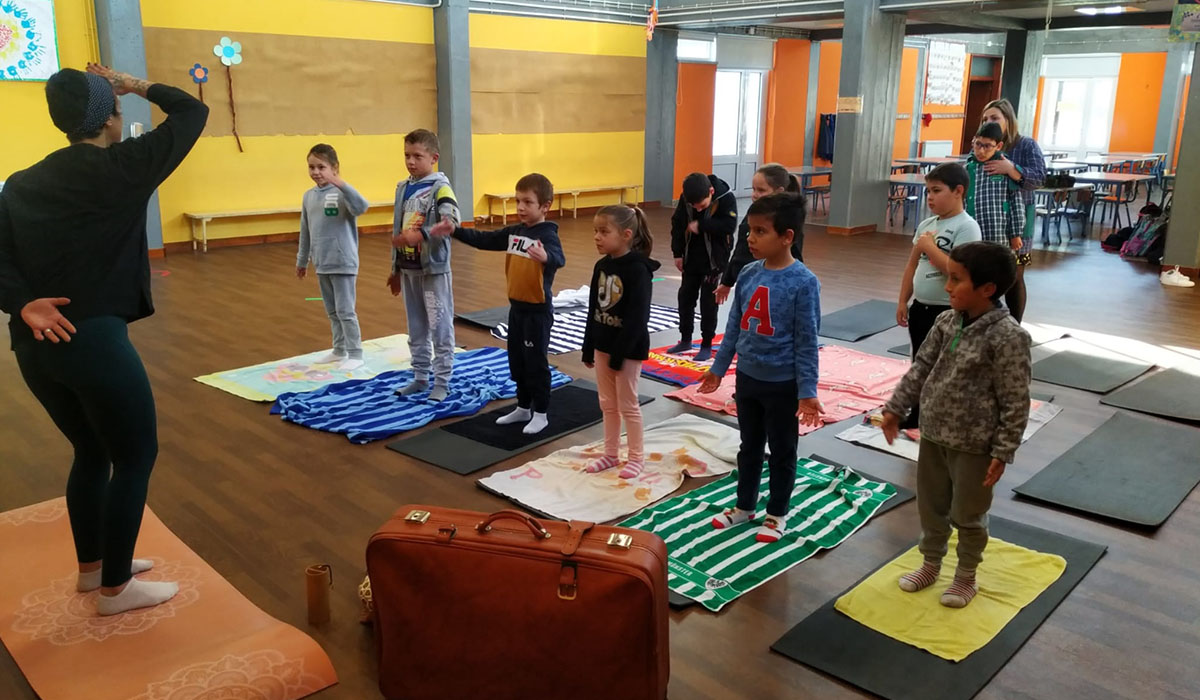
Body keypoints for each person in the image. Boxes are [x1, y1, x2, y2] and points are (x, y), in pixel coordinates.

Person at [0, 64, 207, 615]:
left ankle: (93, 570)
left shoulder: (20, 183)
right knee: (136, 455)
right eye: (117, 108)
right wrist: (134, 83)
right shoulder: (124, 167)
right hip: (92, 341)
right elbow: (192, 110)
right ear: (110, 119)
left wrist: (22, 303)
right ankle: (116, 589)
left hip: (34, 344)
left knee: (90, 451)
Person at [880, 242, 1032, 608]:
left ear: (987, 289)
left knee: (968, 514)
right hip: (934, 435)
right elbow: (920, 368)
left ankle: (965, 576)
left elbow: (1016, 399)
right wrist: (896, 408)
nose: (947, 287)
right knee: (931, 507)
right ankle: (931, 563)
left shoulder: (1009, 337)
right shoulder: (946, 322)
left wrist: (1003, 450)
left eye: (956, 279)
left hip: (975, 446)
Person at [697, 193, 823, 543]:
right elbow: (734, 328)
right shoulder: (749, 273)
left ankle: (777, 512)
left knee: (782, 451)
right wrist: (718, 369)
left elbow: (807, 341)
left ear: (787, 237)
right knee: (749, 446)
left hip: (783, 385)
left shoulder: (804, 282)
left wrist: (807, 391)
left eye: (760, 231)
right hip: (748, 379)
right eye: (749, 231)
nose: (750, 239)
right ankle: (744, 506)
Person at [430, 174, 564, 434]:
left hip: (537, 312)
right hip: (516, 310)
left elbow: (559, 258)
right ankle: (523, 407)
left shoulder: (547, 235)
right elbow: (485, 239)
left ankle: (541, 413)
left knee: (535, 363)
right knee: (518, 361)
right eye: (518, 201)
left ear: (545, 206)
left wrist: (546, 256)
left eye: (528, 202)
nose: (521, 207)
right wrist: (455, 230)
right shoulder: (516, 232)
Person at [895, 163, 981, 429]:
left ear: (958, 191)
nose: (930, 197)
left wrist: (930, 248)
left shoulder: (967, 227)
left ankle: (944, 413)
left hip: (948, 311)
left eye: (936, 190)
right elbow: (912, 265)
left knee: (945, 365)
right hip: (921, 307)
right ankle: (918, 412)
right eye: (928, 191)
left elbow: (960, 272)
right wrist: (903, 300)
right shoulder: (926, 225)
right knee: (920, 362)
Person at [580, 205, 659, 479]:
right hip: (603, 346)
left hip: (627, 350)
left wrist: (619, 354)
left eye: (604, 232)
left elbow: (638, 317)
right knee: (607, 403)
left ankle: (636, 457)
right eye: (595, 231)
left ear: (626, 235)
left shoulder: (638, 270)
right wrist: (588, 345)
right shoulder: (601, 266)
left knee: (628, 404)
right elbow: (593, 309)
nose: (597, 237)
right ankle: (610, 454)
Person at [387, 129, 460, 402]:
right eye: (407, 155)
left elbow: (451, 222)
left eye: (417, 156)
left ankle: (442, 381)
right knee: (416, 327)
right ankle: (420, 377)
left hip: (433, 271)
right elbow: (398, 229)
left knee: (439, 326)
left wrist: (422, 235)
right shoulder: (402, 188)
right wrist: (395, 269)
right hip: (409, 270)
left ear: (434, 158)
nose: (410, 161)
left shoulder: (441, 188)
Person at [296, 143, 369, 371]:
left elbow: (362, 207)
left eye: (322, 167)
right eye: (312, 167)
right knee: (332, 311)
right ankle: (339, 349)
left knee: (346, 311)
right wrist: (302, 260)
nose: (316, 172)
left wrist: (342, 184)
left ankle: (355, 353)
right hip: (322, 262)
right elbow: (305, 231)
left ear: (334, 168)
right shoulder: (308, 197)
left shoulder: (342, 193)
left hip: (343, 262)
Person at [980, 98, 1045, 323]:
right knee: (987, 275)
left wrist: (1011, 169)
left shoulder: (1026, 145)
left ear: (1008, 120)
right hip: (990, 221)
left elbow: (1039, 178)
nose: (989, 122)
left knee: (1015, 275)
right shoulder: (982, 146)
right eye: (985, 119)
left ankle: (1015, 325)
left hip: (1020, 219)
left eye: (995, 118)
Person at [668, 172, 737, 362]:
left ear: (711, 191)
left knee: (708, 303)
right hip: (691, 258)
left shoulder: (726, 197)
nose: (697, 208)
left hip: (714, 260)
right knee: (685, 298)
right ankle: (685, 339)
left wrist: (702, 225)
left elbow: (729, 226)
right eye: (693, 206)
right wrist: (677, 253)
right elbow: (677, 224)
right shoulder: (688, 198)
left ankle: (706, 343)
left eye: (701, 205)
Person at [715, 163, 805, 305]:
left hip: (772, 287)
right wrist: (727, 281)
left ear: (779, 191)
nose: (755, 195)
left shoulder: (787, 222)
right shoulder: (752, 215)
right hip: (748, 282)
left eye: (761, 190)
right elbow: (739, 251)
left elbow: (795, 257)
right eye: (754, 189)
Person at [966, 123, 1025, 272]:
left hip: (999, 232)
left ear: (998, 146)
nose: (981, 150)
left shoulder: (1006, 166)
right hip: (974, 229)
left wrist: (1016, 233)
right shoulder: (968, 168)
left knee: (1007, 267)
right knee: (975, 267)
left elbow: (1016, 203)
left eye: (987, 146)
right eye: (978, 144)